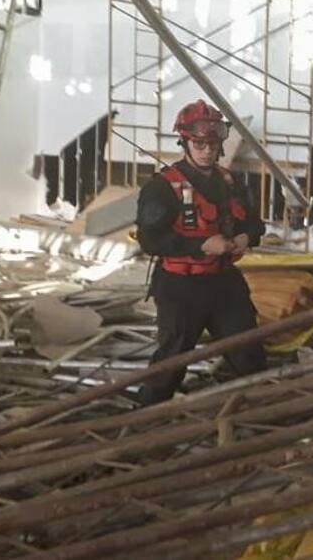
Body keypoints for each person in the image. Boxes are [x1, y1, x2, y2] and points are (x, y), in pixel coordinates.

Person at [134, 99, 268, 404]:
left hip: (224, 284)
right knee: (171, 362)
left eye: (212, 143)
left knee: (248, 352)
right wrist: (199, 246)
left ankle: (262, 410)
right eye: (199, 143)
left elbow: (255, 223)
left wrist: (247, 236)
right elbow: (150, 240)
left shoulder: (232, 183)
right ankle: (144, 418)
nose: (206, 150)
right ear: (185, 142)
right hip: (180, 288)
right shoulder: (161, 187)